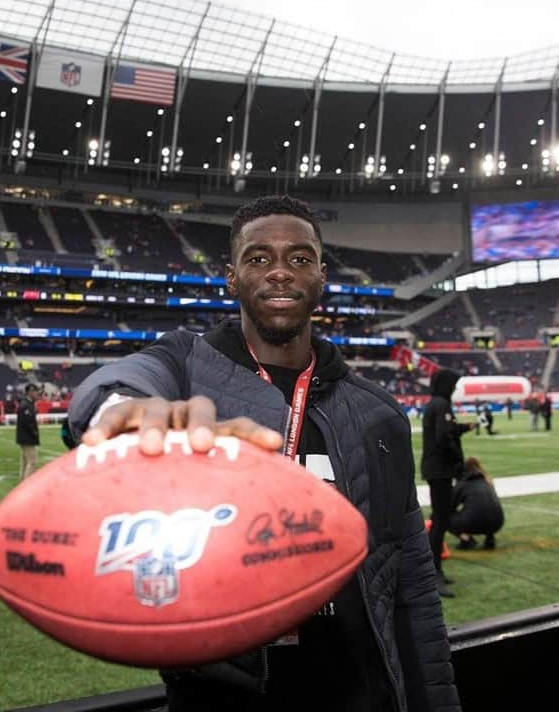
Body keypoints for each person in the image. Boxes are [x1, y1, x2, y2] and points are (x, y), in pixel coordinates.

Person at [68, 195, 461, 712]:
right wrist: (122, 412)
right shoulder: (187, 367)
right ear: (231, 277)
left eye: (299, 259)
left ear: (322, 277)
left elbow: (411, 587)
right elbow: (121, 382)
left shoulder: (378, 414)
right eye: (258, 258)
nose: (279, 272)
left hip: (359, 692)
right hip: (225, 696)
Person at [420, 369, 474, 598]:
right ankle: (434, 574)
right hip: (440, 470)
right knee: (440, 521)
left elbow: (446, 430)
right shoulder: (441, 405)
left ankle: (436, 571)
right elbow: (443, 438)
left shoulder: (437, 404)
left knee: (441, 519)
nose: (454, 388)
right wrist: (457, 460)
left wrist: (462, 428)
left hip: (437, 470)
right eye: (453, 384)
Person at [448, 457, 504, 550]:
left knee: (442, 517)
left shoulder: (463, 483)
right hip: (498, 522)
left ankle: (466, 539)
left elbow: (449, 506)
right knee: (486, 509)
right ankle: (490, 538)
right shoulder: (488, 481)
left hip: (475, 522)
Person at [16, 383, 41, 480]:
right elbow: (28, 422)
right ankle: (26, 484)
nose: (37, 394)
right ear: (30, 392)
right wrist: (34, 433)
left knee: (25, 461)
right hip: (27, 437)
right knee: (32, 462)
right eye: (35, 392)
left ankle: (22, 483)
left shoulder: (27, 403)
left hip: (24, 437)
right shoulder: (26, 405)